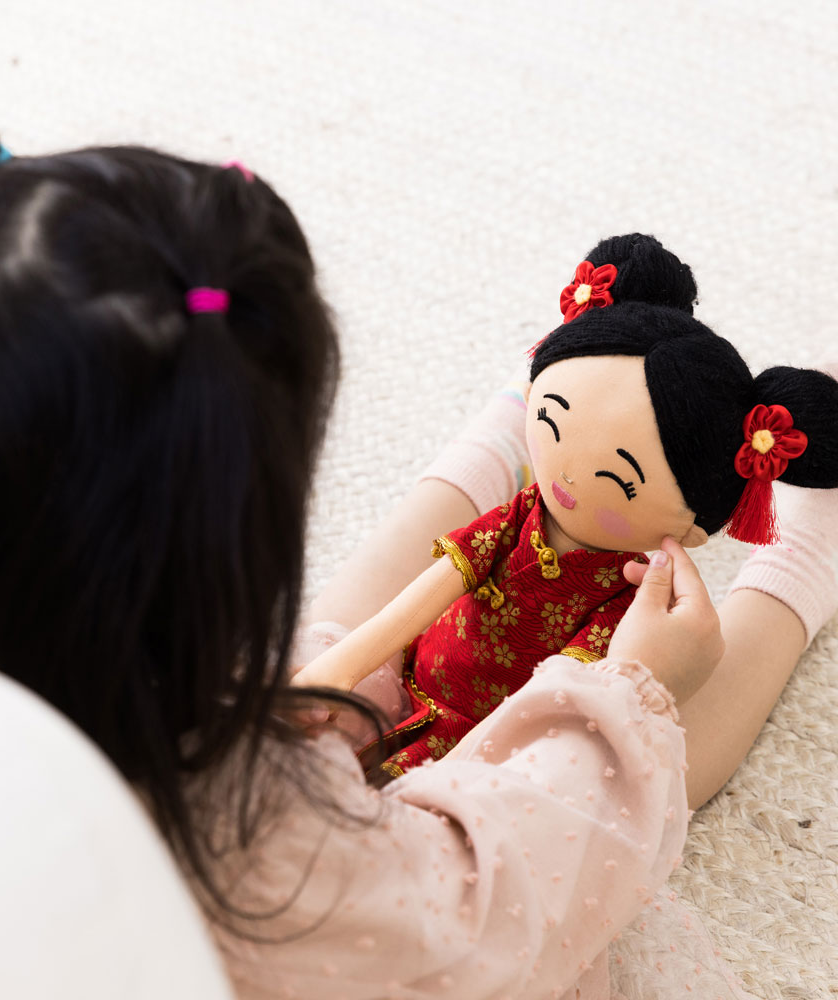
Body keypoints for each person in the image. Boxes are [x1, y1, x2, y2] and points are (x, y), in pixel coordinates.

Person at [0, 131, 830, 998]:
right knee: (635, 747)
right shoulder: (262, 864)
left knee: (349, 644)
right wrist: (626, 690)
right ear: (215, 562)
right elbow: (499, 904)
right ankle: (799, 569)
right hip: (394, 870)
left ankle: (535, 426)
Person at [293, 235, 838, 783]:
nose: (573, 481)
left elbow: (553, 692)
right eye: (550, 417)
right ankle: (804, 551)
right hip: (466, 751)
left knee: (331, 629)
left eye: (620, 479)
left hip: (476, 737)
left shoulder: (618, 585)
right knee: (663, 768)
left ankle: (524, 424)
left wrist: (333, 672)